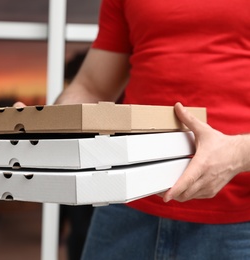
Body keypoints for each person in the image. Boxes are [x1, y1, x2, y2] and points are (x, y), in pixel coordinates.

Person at [16, 0, 250, 258]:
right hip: (124, 206)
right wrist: (44, 124)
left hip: (239, 218)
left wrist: (236, 154)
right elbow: (93, 86)